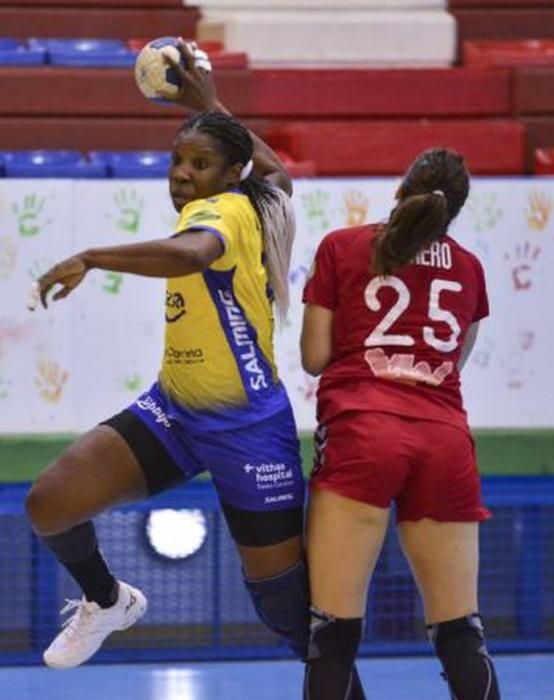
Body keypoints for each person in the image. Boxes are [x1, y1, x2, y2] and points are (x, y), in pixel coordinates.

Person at [25, 41, 312, 671]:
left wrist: (92, 257)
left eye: (199, 162)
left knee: (292, 617)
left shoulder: (226, 212)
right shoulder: (260, 198)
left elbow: (191, 255)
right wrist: (207, 102)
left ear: (228, 174)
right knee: (50, 503)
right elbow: (276, 175)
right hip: (175, 411)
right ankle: (108, 602)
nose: (181, 173)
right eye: (176, 159)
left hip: (248, 430)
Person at [300, 148, 501, 699]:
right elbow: (451, 364)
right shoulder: (469, 268)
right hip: (444, 440)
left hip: (364, 432)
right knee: (461, 631)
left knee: (333, 633)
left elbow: (315, 357)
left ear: (400, 188)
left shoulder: (342, 247)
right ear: (452, 210)